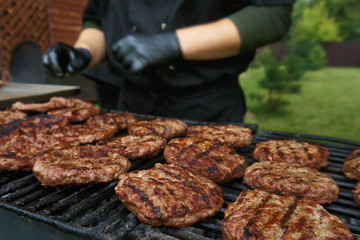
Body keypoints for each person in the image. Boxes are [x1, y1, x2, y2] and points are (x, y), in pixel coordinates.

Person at [42, 0, 295, 123]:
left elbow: (273, 13)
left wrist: (173, 43)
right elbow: (97, 18)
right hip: (131, 104)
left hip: (205, 108)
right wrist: (84, 52)